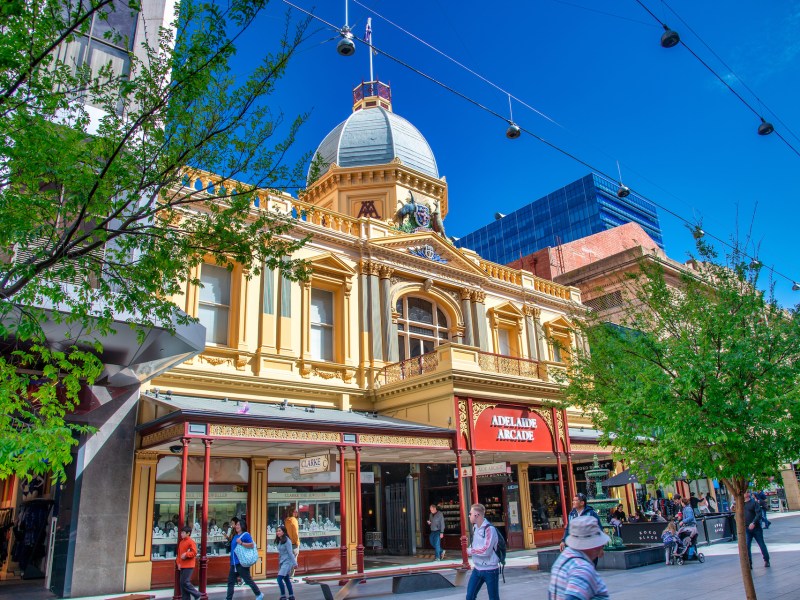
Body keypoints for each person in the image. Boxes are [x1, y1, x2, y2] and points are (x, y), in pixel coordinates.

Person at [548, 515, 610, 600]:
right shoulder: (583, 569)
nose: (601, 546)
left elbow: (552, 592)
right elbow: (573, 597)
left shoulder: (564, 557)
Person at [466, 503, 499, 600]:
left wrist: (471, 551)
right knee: (470, 596)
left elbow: (487, 550)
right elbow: (475, 544)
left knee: (493, 597)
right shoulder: (475, 527)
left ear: (477, 515)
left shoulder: (490, 529)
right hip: (477, 568)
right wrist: (471, 548)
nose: (469, 516)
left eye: (470, 513)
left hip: (490, 569)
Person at [226, 519, 263, 600]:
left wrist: (241, 543)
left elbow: (252, 545)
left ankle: (259, 594)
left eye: (238, 525)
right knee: (230, 582)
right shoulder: (235, 536)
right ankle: (228, 598)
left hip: (241, 562)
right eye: (236, 525)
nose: (236, 526)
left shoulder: (245, 535)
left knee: (248, 580)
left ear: (242, 526)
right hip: (234, 563)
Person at [743, 491, 770, 568]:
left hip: (756, 528)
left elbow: (759, 514)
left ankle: (766, 560)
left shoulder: (754, 503)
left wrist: (754, 523)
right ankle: (749, 563)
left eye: (746, 492)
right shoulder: (741, 504)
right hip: (747, 527)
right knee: (747, 546)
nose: (745, 494)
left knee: (761, 544)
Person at [177, 526, 201, 600]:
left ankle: (196, 594)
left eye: (183, 533)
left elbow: (194, 552)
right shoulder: (181, 542)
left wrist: (186, 554)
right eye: (181, 532)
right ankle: (186, 598)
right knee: (182, 583)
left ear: (188, 533)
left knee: (185, 582)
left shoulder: (191, 542)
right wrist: (178, 563)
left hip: (189, 565)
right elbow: (179, 554)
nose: (181, 534)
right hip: (182, 565)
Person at [274, 525, 298, 600]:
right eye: (277, 531)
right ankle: (291, 596)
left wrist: (295, 563)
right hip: (282, 562)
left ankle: (283, 596)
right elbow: (280, 553)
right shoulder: (279, 541)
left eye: (279, 531)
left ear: (284, 532)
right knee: (286, 579)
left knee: (279, 579)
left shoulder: (287, 541)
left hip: (287, 562)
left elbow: (290, 553)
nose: (278, 532)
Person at [284, 506, 301, 581]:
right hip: (293, 543)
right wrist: (297, 542)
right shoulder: (294, 520)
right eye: (295, 512)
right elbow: (295, 532)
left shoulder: (287, 520)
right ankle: (290, 577)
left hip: (287, 542)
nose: (296, 513)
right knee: (294, 560)